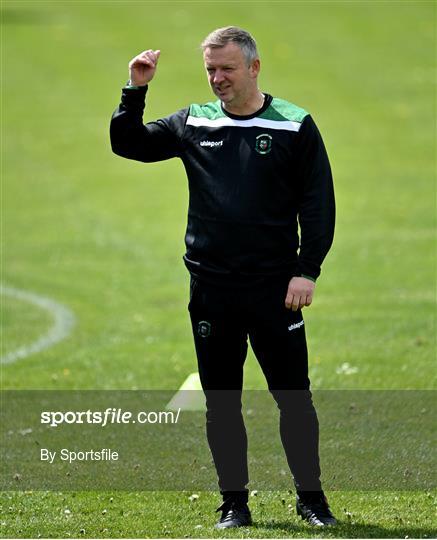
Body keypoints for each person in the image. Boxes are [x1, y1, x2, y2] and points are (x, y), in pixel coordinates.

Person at [110, 26, 336, 529]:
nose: (217, 79)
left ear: (254, 68)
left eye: (227, 69)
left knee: (294, 398)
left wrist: (307, 270)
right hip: (211, 290)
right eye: (211, 69)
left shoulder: (295, 125)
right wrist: (135, 88)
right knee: (221, 402)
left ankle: (312, 500)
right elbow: (129, 145)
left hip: (277, 290)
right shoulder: (194, 120)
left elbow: (318, 204)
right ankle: (234, 504)